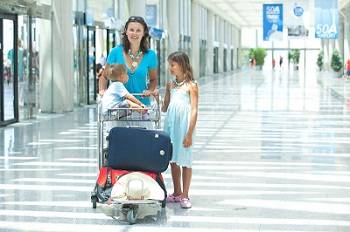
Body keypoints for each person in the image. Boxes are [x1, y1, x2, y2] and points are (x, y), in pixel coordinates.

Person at [161, 51, 199, 209]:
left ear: (182, 65)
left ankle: (185, 195)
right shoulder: (170, 84)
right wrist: (159, 97)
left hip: (184, 128)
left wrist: (189, 133)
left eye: (173, 65)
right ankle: (177, 192)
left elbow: (194, 110)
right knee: (173, 160)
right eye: (170, 64)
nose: (170, 68)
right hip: (171, 126)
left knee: (186, 161)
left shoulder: (192, 85)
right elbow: (165, 108)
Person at [99, 16, 158, 106]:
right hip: (119, 107)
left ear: (144, 33)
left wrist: (150, 90)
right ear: (126, 31)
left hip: (142, 106)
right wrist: (102, 90)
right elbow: (104, 76)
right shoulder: (115, 52)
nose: (134, 33)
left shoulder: (150, 55)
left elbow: (153, 79)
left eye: (138, 30)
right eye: (131, 30)